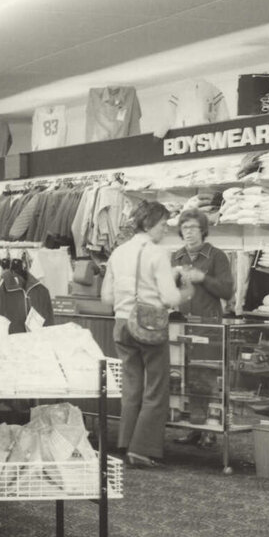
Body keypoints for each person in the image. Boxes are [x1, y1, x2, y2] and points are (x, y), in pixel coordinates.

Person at [101, 200, 184, 469]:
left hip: (121, 323)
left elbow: (106, 298)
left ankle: (126, 442)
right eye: (163, 224)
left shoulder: (117, 253)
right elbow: (170, 296)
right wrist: (181, 289)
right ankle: (142, 449)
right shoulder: (158, 253)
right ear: (148, 224)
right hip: (148, 323)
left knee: (132, 385)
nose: (165, 230)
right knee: (156, 388)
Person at [171, 208, 237, 443]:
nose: (188, 232)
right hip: (180, 326)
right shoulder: (176, 257)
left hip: (208, 326)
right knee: (184, 376)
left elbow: (228, 290)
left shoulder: (216, 256)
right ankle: (194, 426)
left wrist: (203, 279)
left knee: (206, 377)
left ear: (203, 230)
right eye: (185, 227)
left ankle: (210, 431)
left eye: (193, 228)